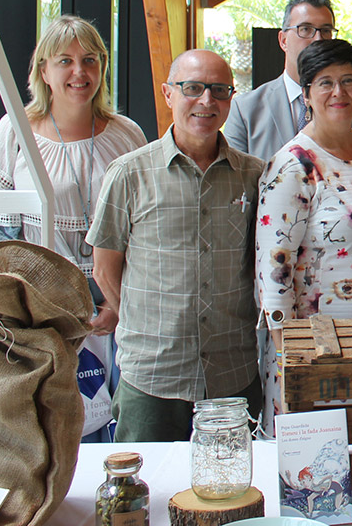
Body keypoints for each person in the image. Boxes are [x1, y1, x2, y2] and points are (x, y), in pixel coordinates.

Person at [0, 14, 148, 441]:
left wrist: (119, 304)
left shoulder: (127, 134)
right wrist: (35, 311)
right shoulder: (15, 132)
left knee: (118, 431)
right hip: (40, 313)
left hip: (118, 310)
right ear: (43, 70)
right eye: (64, 60)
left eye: (90, 59)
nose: (79, 72)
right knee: (52, 432)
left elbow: (146, 230)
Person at [87, 49, 265, 442]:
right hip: (153, 378)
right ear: (168, 94)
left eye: (219, 90)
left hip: (231, 376)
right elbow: (104, 267)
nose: (207, 100)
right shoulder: (130, 173)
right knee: (144, 495)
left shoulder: (254, 176)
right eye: (193, 88)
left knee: (237, 494)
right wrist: (142, 325)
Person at [254, 39, 352, 432]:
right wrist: (290, 359)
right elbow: (273, 273)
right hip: (322, 349)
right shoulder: (292, 164)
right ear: (306, 93)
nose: (338, 92)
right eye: (324, 82)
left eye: (349, 81)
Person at [225, 0, 352, 160]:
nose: (318, 39)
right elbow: (234, 180)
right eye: (305, 29)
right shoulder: (245, 110)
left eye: (325, 31)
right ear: (283, 40)